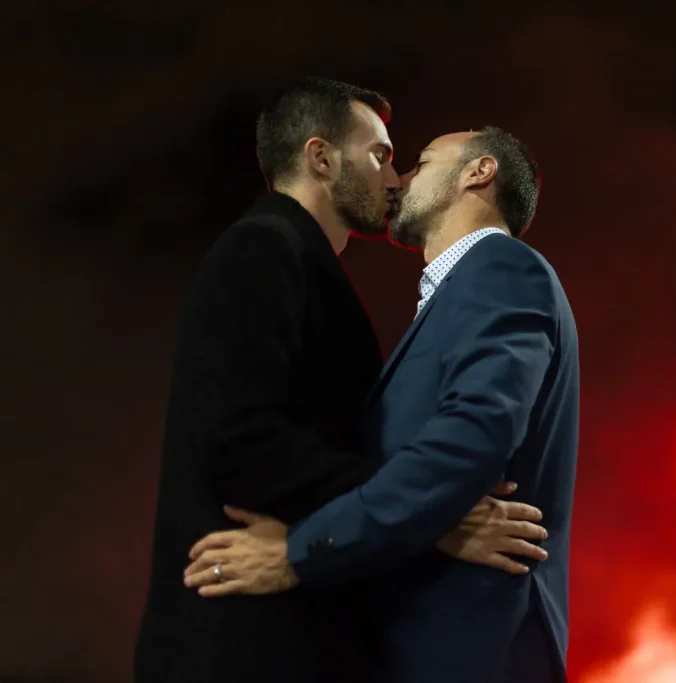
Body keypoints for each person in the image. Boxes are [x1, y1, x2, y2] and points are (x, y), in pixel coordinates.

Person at [134, 79, 549, 683]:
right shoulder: (262, 250)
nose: (396, 177)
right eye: (380, 155)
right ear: (321, 157)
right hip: (239, 640)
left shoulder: (304, 267)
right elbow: (239, 441)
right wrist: (428, 512)